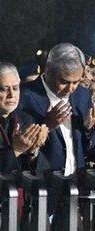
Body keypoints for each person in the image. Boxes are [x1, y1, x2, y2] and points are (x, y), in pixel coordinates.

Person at [18, 43, 95, 176]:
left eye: (76, 82)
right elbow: (20, 154)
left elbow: (85, 149)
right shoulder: (24, 97)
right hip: (43, 186)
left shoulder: (82, 95)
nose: (70, 89)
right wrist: (47, 126)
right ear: (47, 70)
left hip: (78, 184)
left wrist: (87, 129)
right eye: (64, 81)